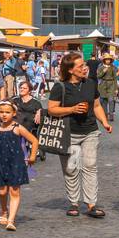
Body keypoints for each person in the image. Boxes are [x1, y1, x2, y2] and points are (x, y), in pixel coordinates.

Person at [48, 52, 111, 219]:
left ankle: (91, 204)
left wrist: (104, 122)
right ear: (70, 70)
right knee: (71, 168)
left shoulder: (90, 83)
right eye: (81, 66)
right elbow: (52, 109)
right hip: (69, 133)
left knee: (90, 166)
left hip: (90, 131)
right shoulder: (60, 87)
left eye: (84, 65)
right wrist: (72, 109)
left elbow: (96, 105)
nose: (85, 68)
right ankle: (74, 202)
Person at [0, 100, 39, 231]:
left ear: (13, 113)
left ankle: (11, 220)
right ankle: (3, 211)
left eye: (7, 112)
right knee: (2, 191)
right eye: (1, 112)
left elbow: (34, 140)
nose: (4, 115)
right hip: (1, 162)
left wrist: (33, 156)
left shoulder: (17, 128)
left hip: (16, 163)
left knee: (14, 191)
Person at [11, 78, 46, 161]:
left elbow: (41, 110)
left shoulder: (35, 102)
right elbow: (6, 104)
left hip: (29, 123)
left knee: (26, 125)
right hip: (17, 122)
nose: (22, 89)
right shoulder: (15, 99)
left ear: (29, 91)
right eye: (21, 88)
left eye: (24, 88)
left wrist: (39, 111)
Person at [96, 53, 119, 118]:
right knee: (104, 100)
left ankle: (111, 114)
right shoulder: (101, 67)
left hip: (111, 84)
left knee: (111, 99)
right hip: (103, 84)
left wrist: (116, 88)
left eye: (109, 60)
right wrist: (103, 71)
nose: (108, 61)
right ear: (104, 60)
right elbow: (98, 76)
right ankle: (105, 114)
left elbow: (115, 78)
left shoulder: (112, 67)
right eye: (106, 60)